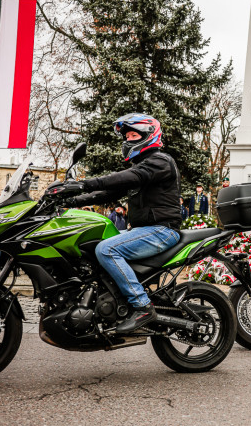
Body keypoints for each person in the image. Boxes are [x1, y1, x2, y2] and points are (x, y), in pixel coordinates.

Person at [72, 113, 181, 335]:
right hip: (144, 230)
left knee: (106, 249)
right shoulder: (141, 167)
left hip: (162, 230)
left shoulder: (160, 161)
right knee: (90, 243)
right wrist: (70, 200)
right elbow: (108, 193)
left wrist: (84, 184)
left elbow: (130, 177)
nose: (129, 140)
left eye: (134, 135)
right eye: (127, 136)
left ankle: (142, 306)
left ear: (149, 135)